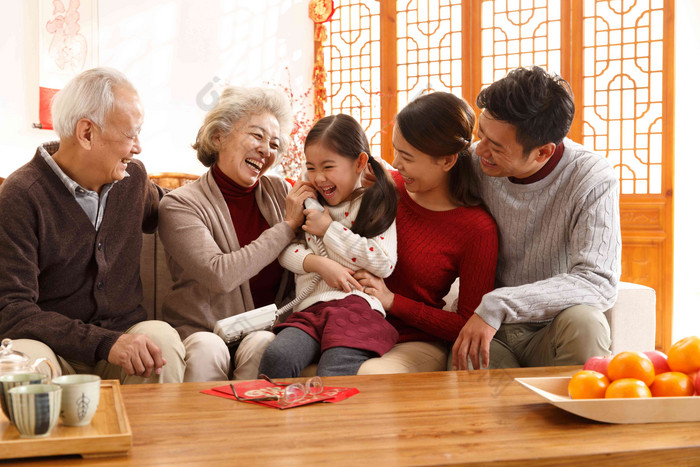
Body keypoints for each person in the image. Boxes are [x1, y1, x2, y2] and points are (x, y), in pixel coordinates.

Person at [0, 67, 186, 384]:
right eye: (131, 134)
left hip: (125, 342)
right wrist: (103, 343)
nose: (138, 147)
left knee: (160, 339)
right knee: (22, 363)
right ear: (87, 133)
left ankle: (153, 436)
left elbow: (177, 206)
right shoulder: (22, 195)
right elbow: (12, 310)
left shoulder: (133, 180)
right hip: (53, 351)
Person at [452, 66, 621, 371]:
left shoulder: (590, 176)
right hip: (493, 335)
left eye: (496, 147)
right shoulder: (475, 163)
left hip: (551, 327)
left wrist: (498, 304)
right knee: (470, 376)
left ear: (543, 152)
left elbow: (599, 281)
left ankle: (575, 415)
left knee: (587, 324)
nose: (480, 151)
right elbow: (417, 178)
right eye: (481, 135)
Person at [158, 86, 316, 382]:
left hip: (264, 329)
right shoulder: (179, 204)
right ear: (218, 136)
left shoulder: (281, 193)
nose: (266, 150)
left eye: (274, 143)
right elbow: (220, 274)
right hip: (203, 333)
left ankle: (250, 428)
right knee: (209, 348)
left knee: (263, 344)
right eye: (257, 136)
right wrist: (285, 228)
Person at [350, 93, 499, 374]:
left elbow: (466, 322)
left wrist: (392, 301)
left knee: (372, 375)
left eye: (407, 157)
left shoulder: (477, 229)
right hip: (353, 322)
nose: (397, 163)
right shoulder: (388, 185)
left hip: (414, 340)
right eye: (395, 151)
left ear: (447, 161)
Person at [258, 114, 399, 377]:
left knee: (335, 367)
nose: (319, 178)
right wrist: (319, 264)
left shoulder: (372, 202)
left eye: (328, 167)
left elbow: (382, 261)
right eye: (311, 168)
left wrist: (329, 229)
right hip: (311, 308)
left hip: (356, 307)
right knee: (278, 356)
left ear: (359, 163)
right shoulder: (310, 205)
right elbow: (286, 252)